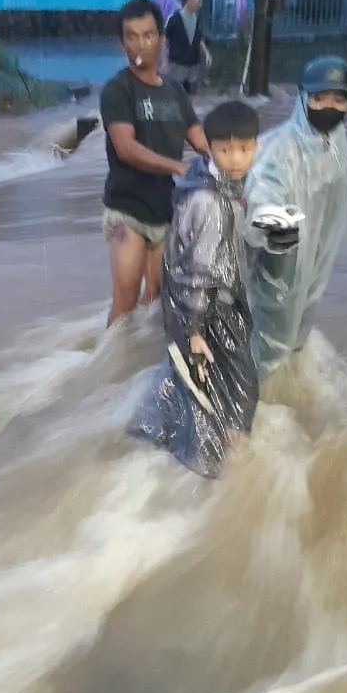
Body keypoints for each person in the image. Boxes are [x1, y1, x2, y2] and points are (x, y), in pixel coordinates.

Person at [129, 100, 261, 479]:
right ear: (208, 147)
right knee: (235, 391)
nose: (236, 158)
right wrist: (194, 331)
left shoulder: (212, 182)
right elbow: (197, 271)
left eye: (244, 148)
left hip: (200, 307)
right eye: (225, 149)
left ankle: (148, 440)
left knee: (189, 383)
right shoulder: (209, 201)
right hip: (207, 311)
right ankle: (220, 476)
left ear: (256, 146)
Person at [100, 0, 209, 325]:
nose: (140, 45)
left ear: (161, 39)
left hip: (166, 211)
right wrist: (178, 167)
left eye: (148, 35)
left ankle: (141, 371)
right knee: (128, 297)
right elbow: (126, 148)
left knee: (158, 299)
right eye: (131, 37)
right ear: (122, 43)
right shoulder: (117, 90)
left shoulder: (175, 92)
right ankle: (108, 372)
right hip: (127, 210)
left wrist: (239, 165)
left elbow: (202, 141)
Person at [244, 55, 347, 379]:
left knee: (296, 343)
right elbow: (262, 195)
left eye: (339, 99)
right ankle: (250, 414)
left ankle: (289, 410)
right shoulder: (281, 150)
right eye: (319, 98)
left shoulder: (334, 144)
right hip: (279, 270)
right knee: (267, 351)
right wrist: (273, 224)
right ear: (303, 98)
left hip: (314, 269)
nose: (328, 107)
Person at [165, 0, 213, 97]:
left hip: (192, 63)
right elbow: (164, 38)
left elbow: (199, 38)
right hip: (177, 63)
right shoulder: (174, 19)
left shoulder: (196, 19)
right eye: (198, 0)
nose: (200, 4)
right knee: (175, 92)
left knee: (190, 93)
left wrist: (206, 53)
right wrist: (163, 59)